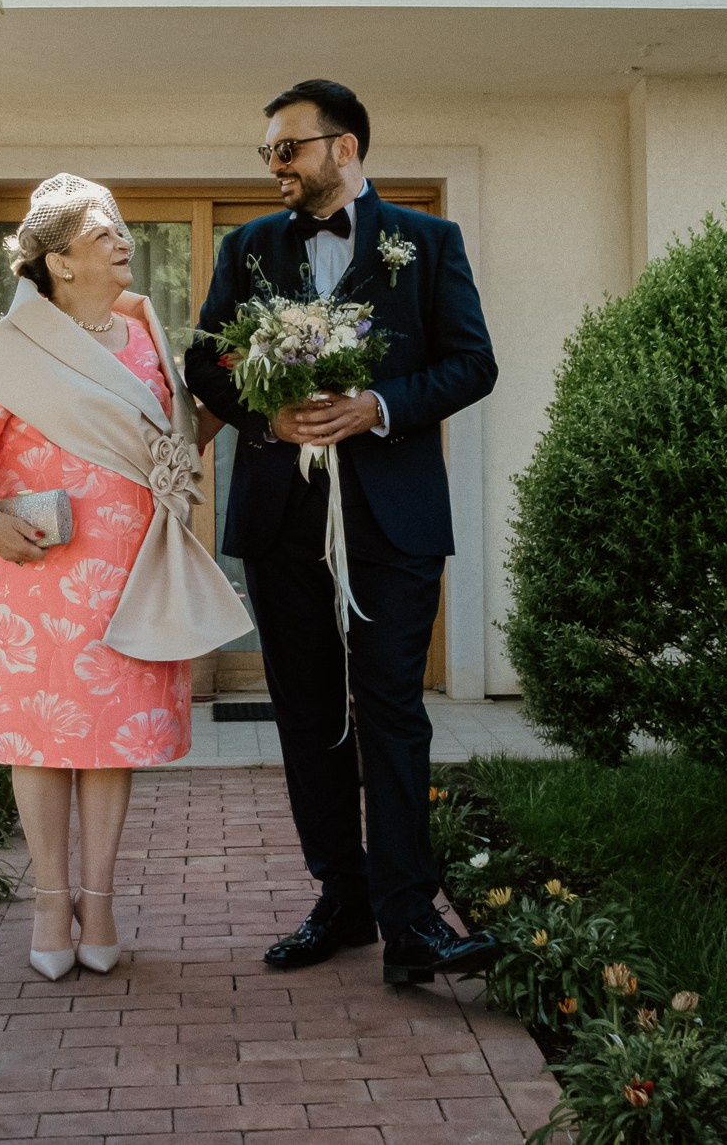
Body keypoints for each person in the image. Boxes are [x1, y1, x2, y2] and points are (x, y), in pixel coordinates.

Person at [185, 80, 502, 985]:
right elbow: (207, 361)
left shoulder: (427, 243)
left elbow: (473, 363)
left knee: (394, 711)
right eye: (269, 153)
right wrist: (263, 421)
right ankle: (343, 898)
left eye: (290, 148)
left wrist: (379, 406)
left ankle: (414, 920)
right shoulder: (248, 249)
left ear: (346, 148)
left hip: (393, 523)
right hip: (284, 522)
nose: (276, 166)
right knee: (310, 716)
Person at [0, 173, 250, 981]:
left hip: (128, 568)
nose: (123, 240)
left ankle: (100, 898)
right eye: (103, 231)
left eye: (120, 228)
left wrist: (251, 386)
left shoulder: (146, 333)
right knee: (41, 742)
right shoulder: (11, 344)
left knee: (107, 739)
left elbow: (179, 435)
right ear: (59, 262)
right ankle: (50, 900)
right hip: (34, 567)